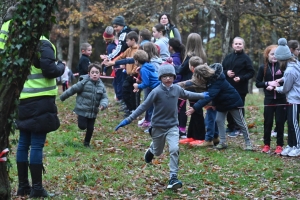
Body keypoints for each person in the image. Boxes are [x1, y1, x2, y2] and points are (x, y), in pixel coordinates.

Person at [115, 63, 210, 190]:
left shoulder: (176, 89)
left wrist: (202, 95)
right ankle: (152, 149)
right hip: (158, 127)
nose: (168, 79)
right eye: (165, 76)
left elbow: (187, 94)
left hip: (172, 126)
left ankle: (173, 178)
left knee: (174, 149)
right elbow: (144, 106)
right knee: (158, 152)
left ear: (174, 77)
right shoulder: (156, 92)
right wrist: (128, 119)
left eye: (170, 76)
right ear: (160, 78)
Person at [15, 31, 65, 198]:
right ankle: (37, 189)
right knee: (36, 144)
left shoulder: (20, 41)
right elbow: (50, 70)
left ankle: (23, 186)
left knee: (23, 143)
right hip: (41, 100)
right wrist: (62, 66)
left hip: (23, 98)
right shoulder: (43, 43)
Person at [186, 63, 253, 151]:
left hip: (233, 102)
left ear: (203, 75)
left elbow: (209, 95)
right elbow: (215, 94)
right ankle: (222, 142)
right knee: (218, 120)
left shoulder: (216, 80)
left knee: (240, 123)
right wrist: (214, 104)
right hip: (222, 103)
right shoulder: (210, 80)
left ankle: (248, 144)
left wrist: (194, 108)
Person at [60, 63, 108, 147]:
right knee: (82, 126)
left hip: (93, 111)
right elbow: (73, 89)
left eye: (96, 72)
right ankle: (81, 123)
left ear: (100, 74)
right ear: (89, 73)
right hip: (82, 109)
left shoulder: (101, 86)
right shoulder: (83, 82)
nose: (94, 74)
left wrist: (103, 104)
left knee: (90, 128)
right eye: (92, 72)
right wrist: (63, 97)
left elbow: (104, 97)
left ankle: (86, 143)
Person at [175, 33, 207, 139]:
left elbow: (180, 70)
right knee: (195, 110)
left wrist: (172, 66)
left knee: (195, 111)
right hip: (199, 86)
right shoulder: (202, 55)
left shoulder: (190, 57)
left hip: (191, 86)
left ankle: (198, 136)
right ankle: (192, 135)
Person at [222, 37, 255, 137]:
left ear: (243, 46)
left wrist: (241, 78)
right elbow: (221, 70)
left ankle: (238, 128)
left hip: (240, 88)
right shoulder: (228, 57)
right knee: (228, 107)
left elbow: (251, 72)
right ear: (232, 45)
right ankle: (230, 126)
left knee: (238, 108)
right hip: (228, 87)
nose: (238, 45)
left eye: (240, 44)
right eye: (236, 44)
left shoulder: (246, 58)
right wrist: (226, 72)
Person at [255, 45, 286, 154]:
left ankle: (279, 145)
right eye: (272, 54)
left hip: (281, 99)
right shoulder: (262, 68)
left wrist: (277, 84)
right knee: (268, 122)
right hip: (268, 99)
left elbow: (286, 79)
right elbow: (258, 83)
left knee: (279, 122)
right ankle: (266, 144)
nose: (274, 56)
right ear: (267, 55)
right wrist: (267, 84)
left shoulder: (283, 66)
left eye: (277, 54)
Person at [104, 31, 139, 117]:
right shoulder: (128, 49)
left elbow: (135, 63)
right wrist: (112, 61)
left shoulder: (137, 50)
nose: (126, 43)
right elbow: (121, 57)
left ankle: (132, 110)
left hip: (133, 75)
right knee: (125, 92)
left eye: (127, 41)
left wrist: (133, 72)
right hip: (128, 74)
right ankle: (130, 109)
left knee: (131, 93)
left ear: (133, 40)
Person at [274, 38, 300, 157]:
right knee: (290, 123)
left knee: (293, 123)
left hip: (295, 99)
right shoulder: (294, 64)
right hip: (291, 99)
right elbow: (290, 78)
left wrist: (276, 88)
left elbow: (286, 88)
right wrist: (281, 79)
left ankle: (297, 146)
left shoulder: (289, 70)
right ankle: (290, 145)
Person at [177, 56, 206, 146]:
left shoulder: (200, 75)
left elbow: (192, 83)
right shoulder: (196, 74)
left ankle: (200, 137)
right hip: (194, 98)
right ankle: (191, 136)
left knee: (198, 116)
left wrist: (179, 85)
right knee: (193, 116)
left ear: (191, 67)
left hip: (199, 98)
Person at [132, 50, 160, 128]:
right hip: (157, 87)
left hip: (155, 88)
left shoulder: (143, 69)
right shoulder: (148, 66)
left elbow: (146, 83)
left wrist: (138, 86)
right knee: (153, 106)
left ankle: (152, 126)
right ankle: (151, 124)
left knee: (151, 106)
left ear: (137, 61)